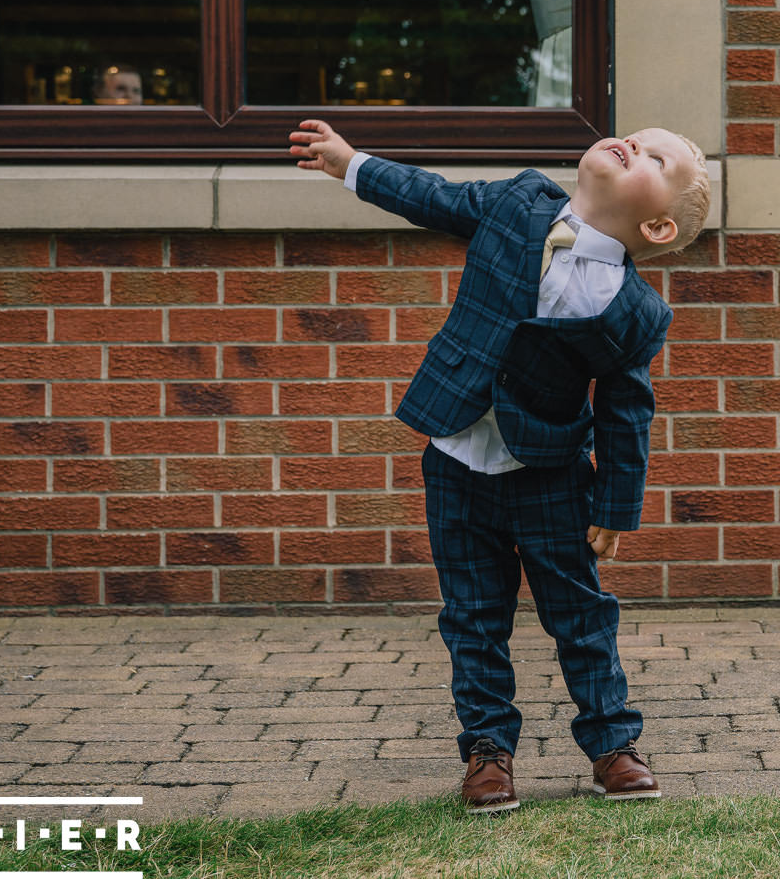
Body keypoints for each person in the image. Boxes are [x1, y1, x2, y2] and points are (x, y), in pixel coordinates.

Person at [287, 117, 710, 812]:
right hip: (454, 456)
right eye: (637, 135)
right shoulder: (518, 203)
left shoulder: (635, 311)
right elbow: (435, 198)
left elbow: (627, 410)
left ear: (658, 227)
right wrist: (349, 162)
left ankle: (612, 745)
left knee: (580, 615)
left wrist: (613, 506)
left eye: (657, 158)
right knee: (473, 617)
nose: (634, 143)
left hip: (550, 472)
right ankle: (488, 753)